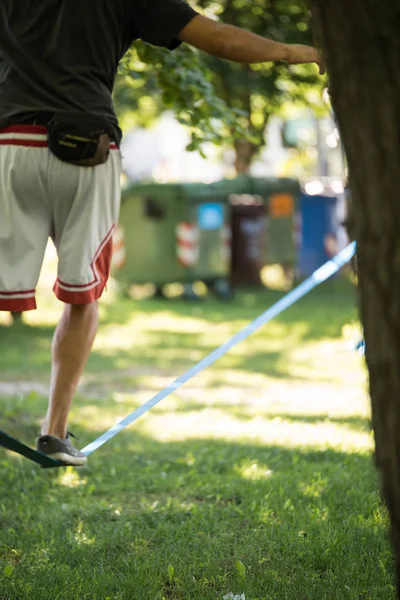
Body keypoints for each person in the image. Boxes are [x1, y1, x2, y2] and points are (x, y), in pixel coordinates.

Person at [0, 0, 324, 466]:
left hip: (11, 143)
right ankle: (54, 430)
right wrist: (296, 51)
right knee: (82, 295)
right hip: (86, 147)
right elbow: (222, 39)